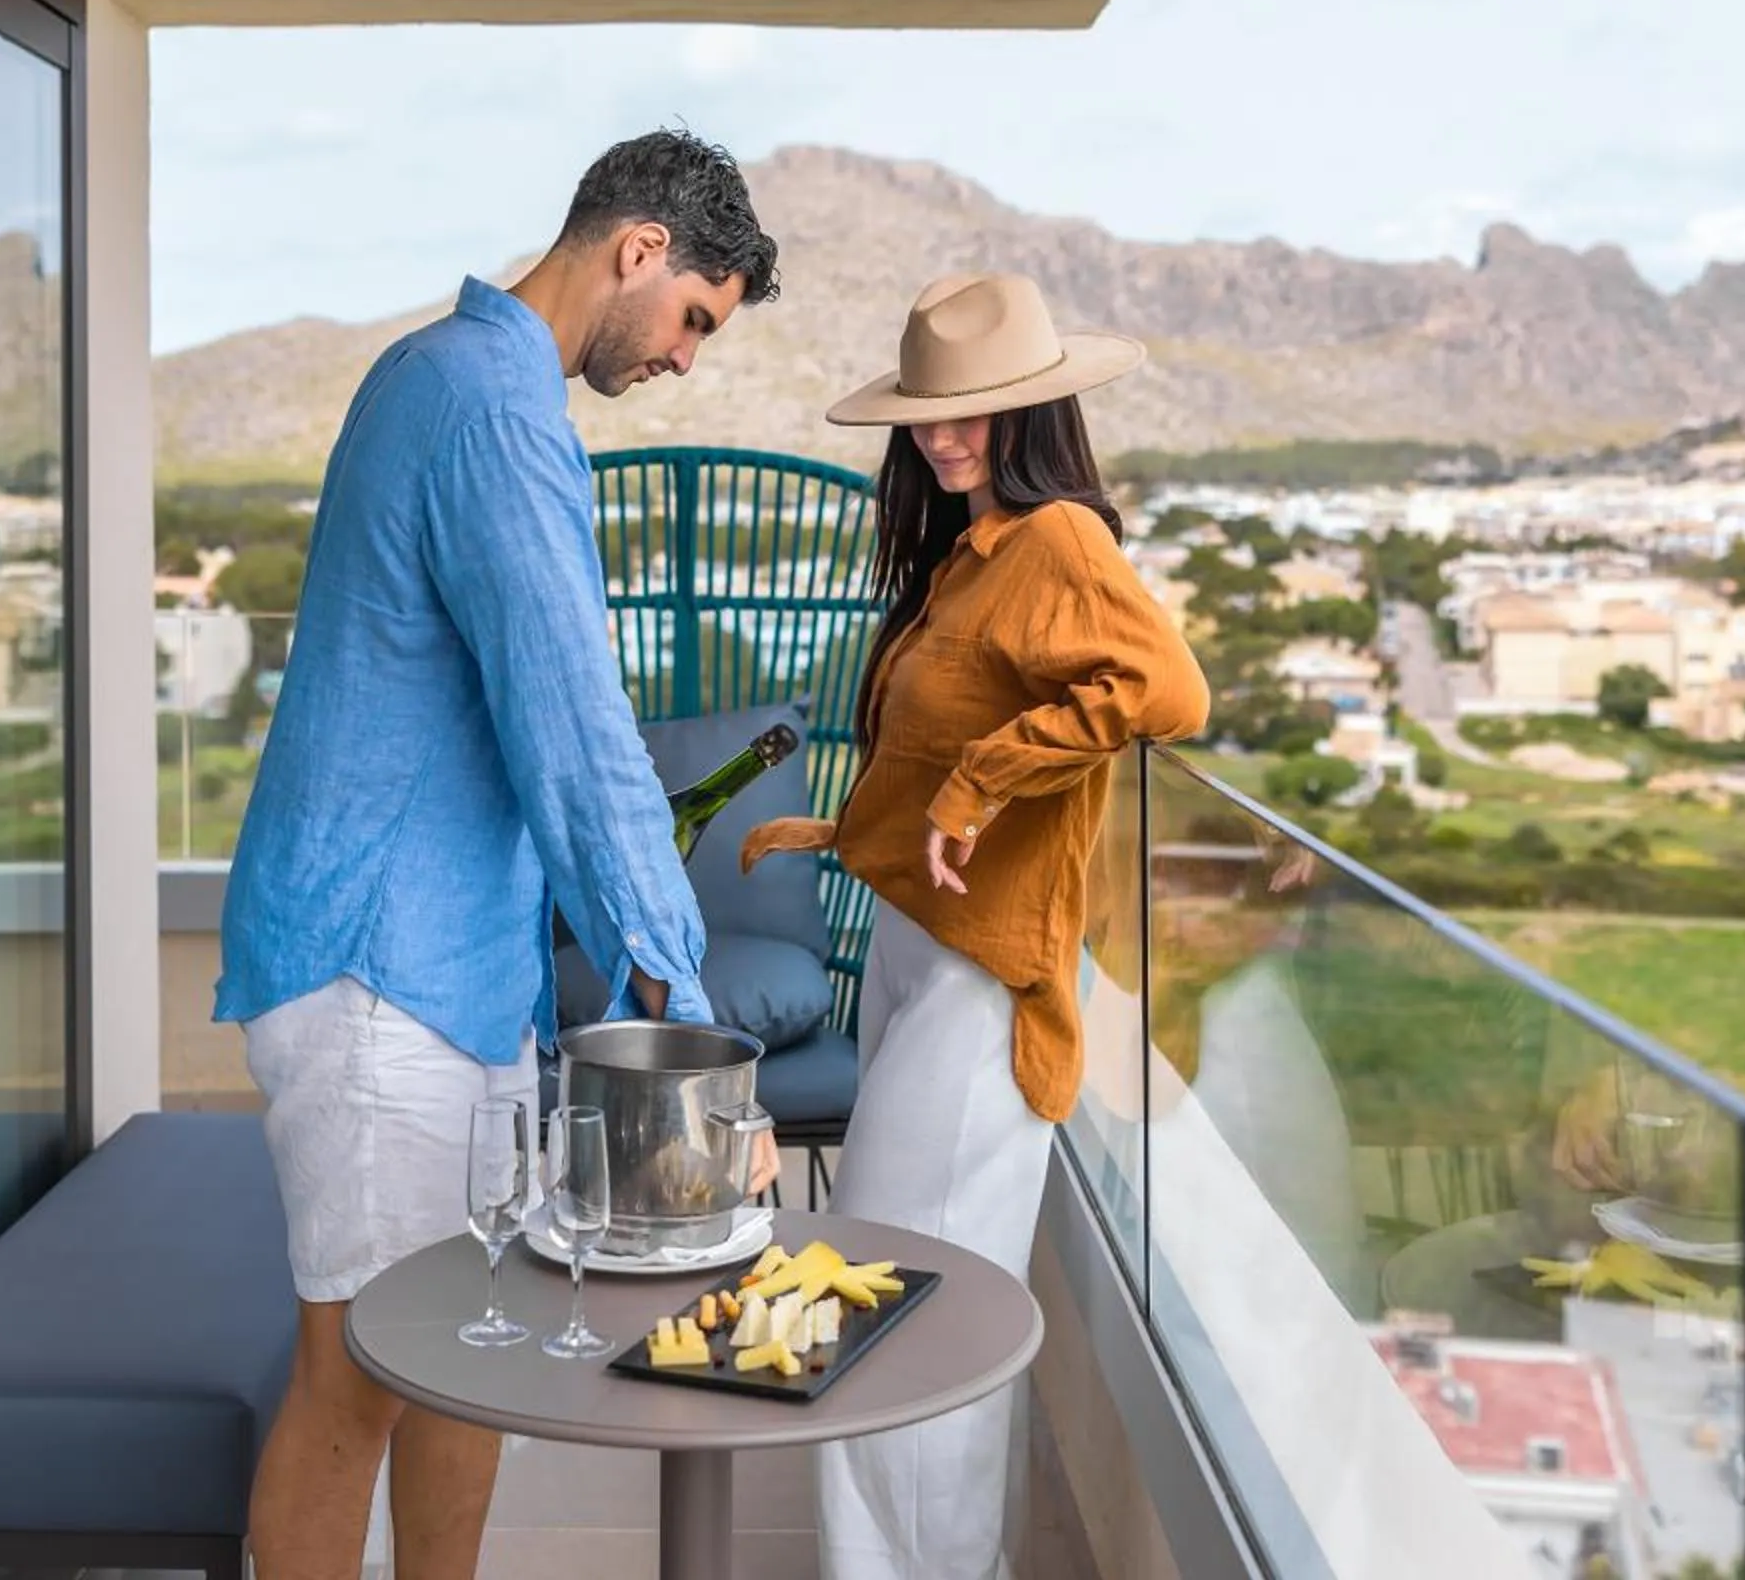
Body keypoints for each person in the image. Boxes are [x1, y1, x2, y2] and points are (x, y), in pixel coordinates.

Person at [218, 129, 785, 1580]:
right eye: (696, 321)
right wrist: (676, 987)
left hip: (453, 976)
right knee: (352, 1383)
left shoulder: (454, 380)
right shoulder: (485, 405)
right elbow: (572, 717)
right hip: (375, 976)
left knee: (470, 1354)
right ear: (639, 250)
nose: (685, 360)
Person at [744, 271, 1210, 1580]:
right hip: (911, 947)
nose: (946, 439)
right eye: (929, 418)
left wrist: (981, 780)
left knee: (884, 1305)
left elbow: (1164, 689)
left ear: (1039, 411)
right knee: (882, 1294)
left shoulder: (1060, 540)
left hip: (985, 978)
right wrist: (848, 831)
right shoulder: (973, 551)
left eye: (978, 415)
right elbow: (939, 727)